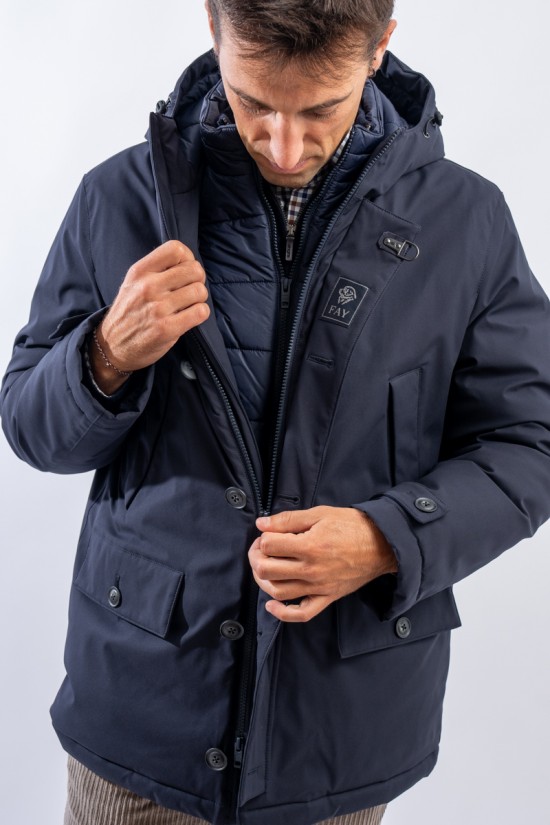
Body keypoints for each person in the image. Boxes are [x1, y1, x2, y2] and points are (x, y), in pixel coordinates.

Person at [1, 1, 549, 824]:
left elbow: (530, 444)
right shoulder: (119, 198)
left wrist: (388, 537)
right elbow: (28, 427)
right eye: (254, 102)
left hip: (340, 738)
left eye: (321, 109)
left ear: (380, 47)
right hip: (138, 721)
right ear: (213, 29)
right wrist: (105, 352)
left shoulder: (466, 221)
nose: (285, 146)